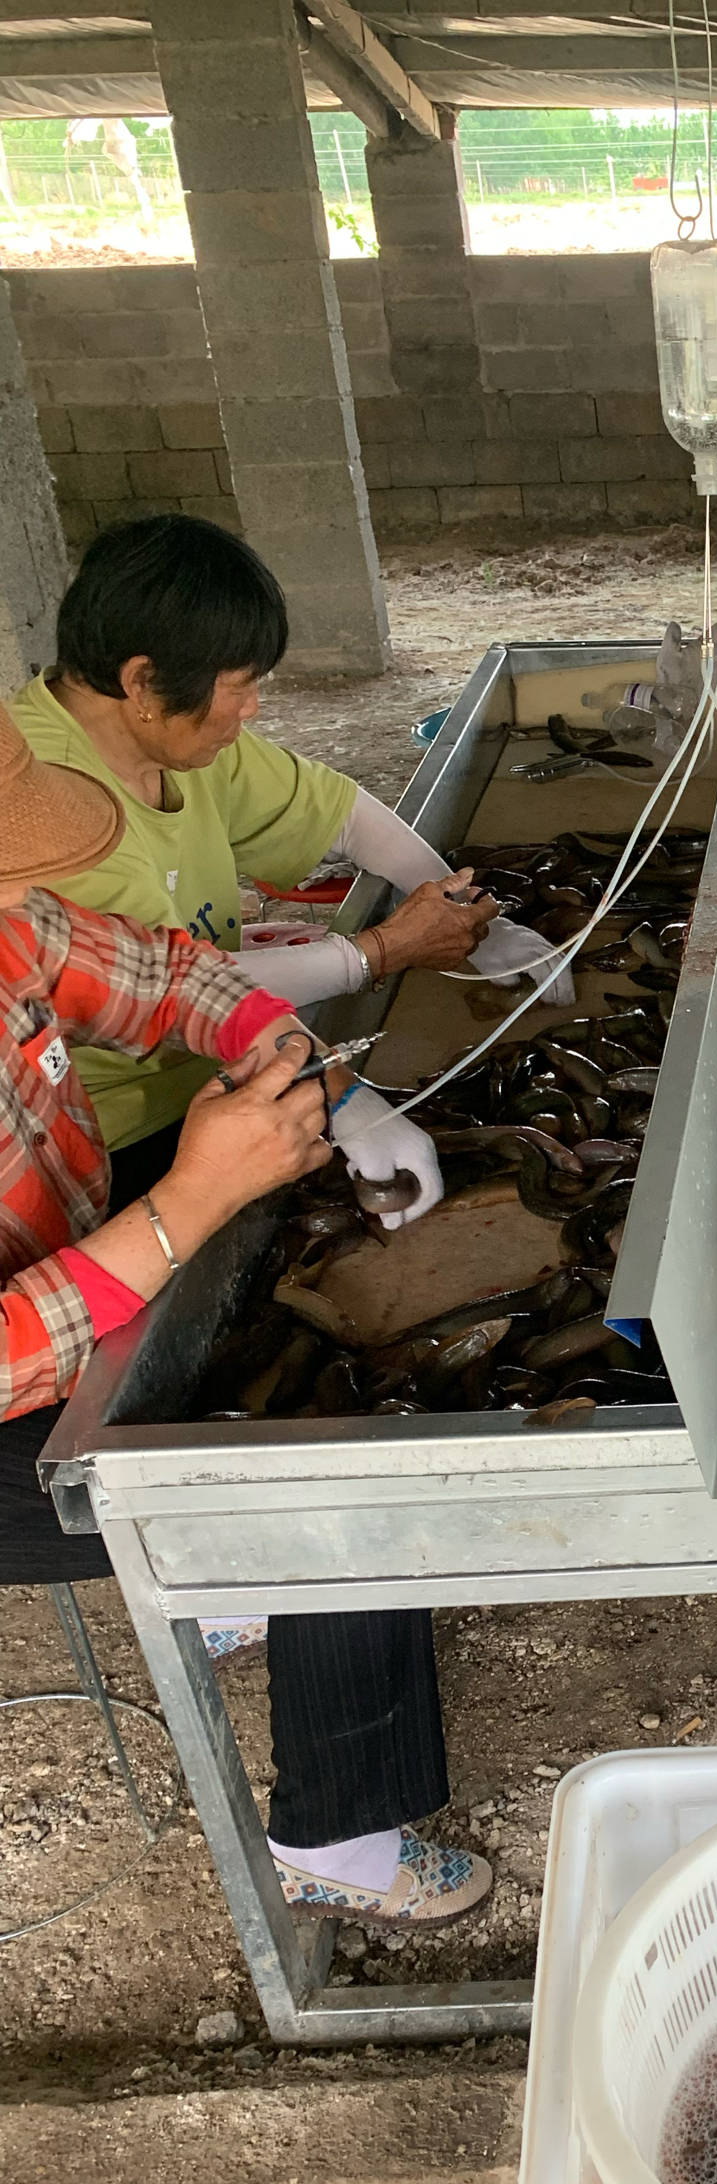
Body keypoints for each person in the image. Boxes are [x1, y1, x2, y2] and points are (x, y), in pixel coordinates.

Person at [2, 704, 491, 1921]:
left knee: (289, 1338)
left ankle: (222, 1586)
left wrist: (322, 1085)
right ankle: (338, 1838)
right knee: (321, 1485)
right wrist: (184, 1206)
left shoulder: (10, 930)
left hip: (64, 1244)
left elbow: (169, 975)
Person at [10, 513, 569, 1166]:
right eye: (239, 686)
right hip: (121, 1138)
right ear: (142, 683)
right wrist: (373, 957)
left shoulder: (171, 735)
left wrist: (462, 912)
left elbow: (343, 815)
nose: (253, 709)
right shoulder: (44, 813)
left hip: (243, 1063)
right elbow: (169, 997)